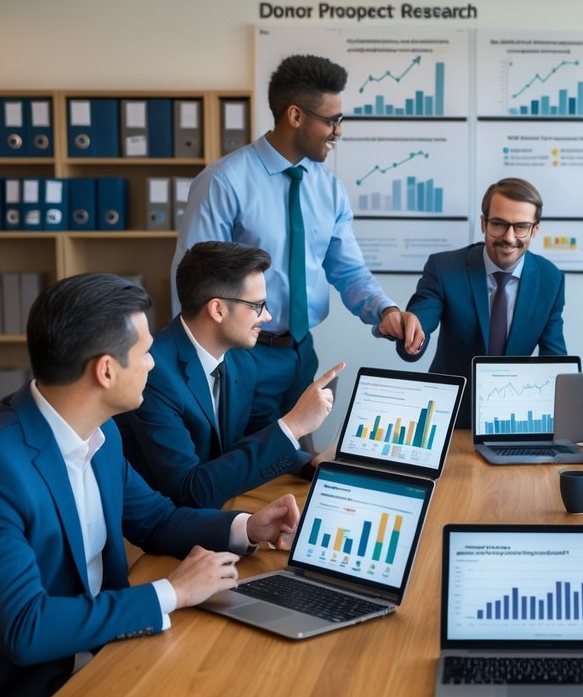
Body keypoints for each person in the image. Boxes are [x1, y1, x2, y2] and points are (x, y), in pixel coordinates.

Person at [0, 274, 301, 697]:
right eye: (145, 352)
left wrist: (248, 527)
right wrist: (172, 593)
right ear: (105, 370)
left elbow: (155, 518)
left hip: (97, 654)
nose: (154, 364)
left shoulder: (100, 430)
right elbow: (26, 628)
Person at [173, 53, 423, 432]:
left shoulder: (328, 188)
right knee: (243, 469)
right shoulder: (224, 182)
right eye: (332, 120)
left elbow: (348, 268)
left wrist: (385, 310)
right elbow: (192, 281)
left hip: (301, 353)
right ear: (295, 116)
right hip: (240, 355)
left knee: (293, 462)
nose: (339, 131)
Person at [118, 241, 344, 508]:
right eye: (257, 306)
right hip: (156, 532)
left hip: (218, 510)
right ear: (217, 310)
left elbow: (256, 438)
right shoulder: (153, 375)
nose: (268, 317)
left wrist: (311, 464)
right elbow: (189, 490)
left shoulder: (241, 359)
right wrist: (294, 424)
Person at [398, 178, 567, 429]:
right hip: (448, 417)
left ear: (535, 230)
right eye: (498, 224)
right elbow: (419, 325)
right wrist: (412, 334)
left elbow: (554, 360)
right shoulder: (444, 269)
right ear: (483, 223)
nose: (509, 238)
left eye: (521, 227)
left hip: (514, 420)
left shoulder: (550, 279)